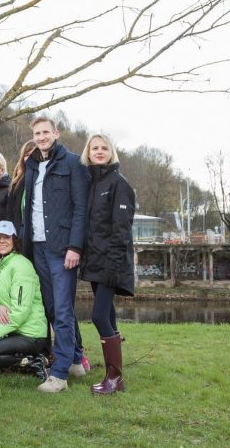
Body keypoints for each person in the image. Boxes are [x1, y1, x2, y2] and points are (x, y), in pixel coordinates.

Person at [21, 116, 91, 394]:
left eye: (45, 132)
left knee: (62, 310)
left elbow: (80, 208)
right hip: (36, 246)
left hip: (61, 248)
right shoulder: (32, 165)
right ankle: (75, 360)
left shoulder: (73, 163)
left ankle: (59, 375)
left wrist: (75, 246)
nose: (41, 137)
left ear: (56, 133)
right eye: (37, 133)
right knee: (52, 308)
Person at [78, 134, 135, 395]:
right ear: (88, 152)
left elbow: (122, 230)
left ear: (111, 152)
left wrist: (114, 266)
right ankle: (114, 373)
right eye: (94, 148)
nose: (99, 152)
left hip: (111, 262)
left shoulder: (118, 184)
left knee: (99, 315)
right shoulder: (91, 183)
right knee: (108, 315)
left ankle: (115, 378)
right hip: (94, 261)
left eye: (104, 148)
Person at [0, 221, 48, 381]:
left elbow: (21, 312)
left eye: (6, 237)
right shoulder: (3, 265)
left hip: (30, 335)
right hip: (15, 328)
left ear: (14, 239)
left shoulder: (21, 266)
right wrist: (0, 306)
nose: (1, 241)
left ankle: (31, 361)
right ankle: (3, 357)